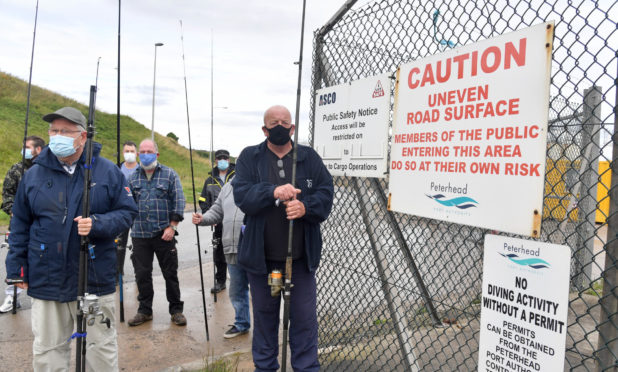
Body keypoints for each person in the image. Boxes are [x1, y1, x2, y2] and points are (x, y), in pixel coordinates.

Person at [5, 107, 137, 370]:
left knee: (101, 350)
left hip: (94, 277)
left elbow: (127, 212)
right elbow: (20, 223)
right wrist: (16, 268)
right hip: (46, 277)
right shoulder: (33, 175)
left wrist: (98, 223)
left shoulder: (108, 171)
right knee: (48, 351)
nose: (57, 136)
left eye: (64, 131)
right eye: (53, 131)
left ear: (82, 136)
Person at [232, 105, 334, 371]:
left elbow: (326, 193)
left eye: (284, 122)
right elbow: (242, 195)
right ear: (264, 129)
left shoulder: (309, 157)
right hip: (267, 266)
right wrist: (273, 192)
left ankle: (306, 367)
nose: (280, 126)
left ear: (293, 128)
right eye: (273, 123)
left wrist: (306, 208)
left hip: (298, 263)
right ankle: (265, 367)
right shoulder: (249, 157)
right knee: (266, 318)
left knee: (303, 317)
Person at [127, 139, 187, 327]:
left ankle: (176, 310)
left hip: (164, 233)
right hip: (139, 234)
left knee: (170, 273)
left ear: (157, 154)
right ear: (138, 155)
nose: (145, 154)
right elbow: (127, 204)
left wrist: (172, 227)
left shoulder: (169, 174)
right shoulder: (133, 177)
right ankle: (144, 310)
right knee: (142, 274)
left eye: (149, 151)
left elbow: (179, 201)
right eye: (142, 151)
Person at [192, 181, 250, 339]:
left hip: (255, 249)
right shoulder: (228, 187)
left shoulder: (262, 181)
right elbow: (216, 211)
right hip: (231, 247)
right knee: (237, 290)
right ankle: (242, 323)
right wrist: (202, 218)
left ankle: (266, 328)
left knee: (262, 292)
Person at [1, 135, 45, 313]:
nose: (24, 150)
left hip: (41, 226)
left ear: (38, 149)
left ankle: (42, 298)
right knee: (15, 258)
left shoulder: (46, 169)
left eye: (28, 147)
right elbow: (7, 195)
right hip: (19, 224)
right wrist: (13, 210)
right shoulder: (16, 169)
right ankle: (12, 296)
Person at [199, 149, 235, 294]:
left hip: (234, 222)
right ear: (215, 161)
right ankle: (220, 281)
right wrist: (208, 217)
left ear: (229, 159)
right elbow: (203, 200)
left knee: (238, 253)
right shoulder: (209, 180)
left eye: (225, 158)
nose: (222, 160)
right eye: (219, 158)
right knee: (218, 254)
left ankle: (241, 282)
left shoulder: (237, 176)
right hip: (218, 223)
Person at [116, 141, 139, 275]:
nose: (129, 154)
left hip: (138, 212)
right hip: (121, 211)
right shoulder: (117, 169)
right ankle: (117, 273)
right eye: (126, 151)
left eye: (131, 151)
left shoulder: (142, 169)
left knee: (138, 246)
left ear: (136, 153)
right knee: (119, 244)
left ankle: (139, 273)